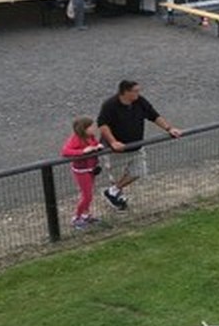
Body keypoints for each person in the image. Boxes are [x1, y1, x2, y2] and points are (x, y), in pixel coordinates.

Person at [97, 79, 182, 210]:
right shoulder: (110, 105)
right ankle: (117, 196)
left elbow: (153, 115)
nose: (138, 93)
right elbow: (103, 125)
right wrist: (113, 142)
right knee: (117, 175)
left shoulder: (140, 101)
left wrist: (169, 128)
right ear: (125, 92)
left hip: (136, 146)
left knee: (139, 171)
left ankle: (112, 191)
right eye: (135, 91)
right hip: (117, 151)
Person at [61, 116, 105, 230]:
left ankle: (86, 215)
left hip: (91, 169)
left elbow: (94, 144)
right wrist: (82, 151)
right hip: (82, 171)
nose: (94, 128)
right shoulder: (75, 139)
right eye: (91, 127)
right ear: (83, 129)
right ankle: (77, 217)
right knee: (87, 196)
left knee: (89, 194)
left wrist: (97, 146)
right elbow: (65, 151)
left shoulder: (90, 136)